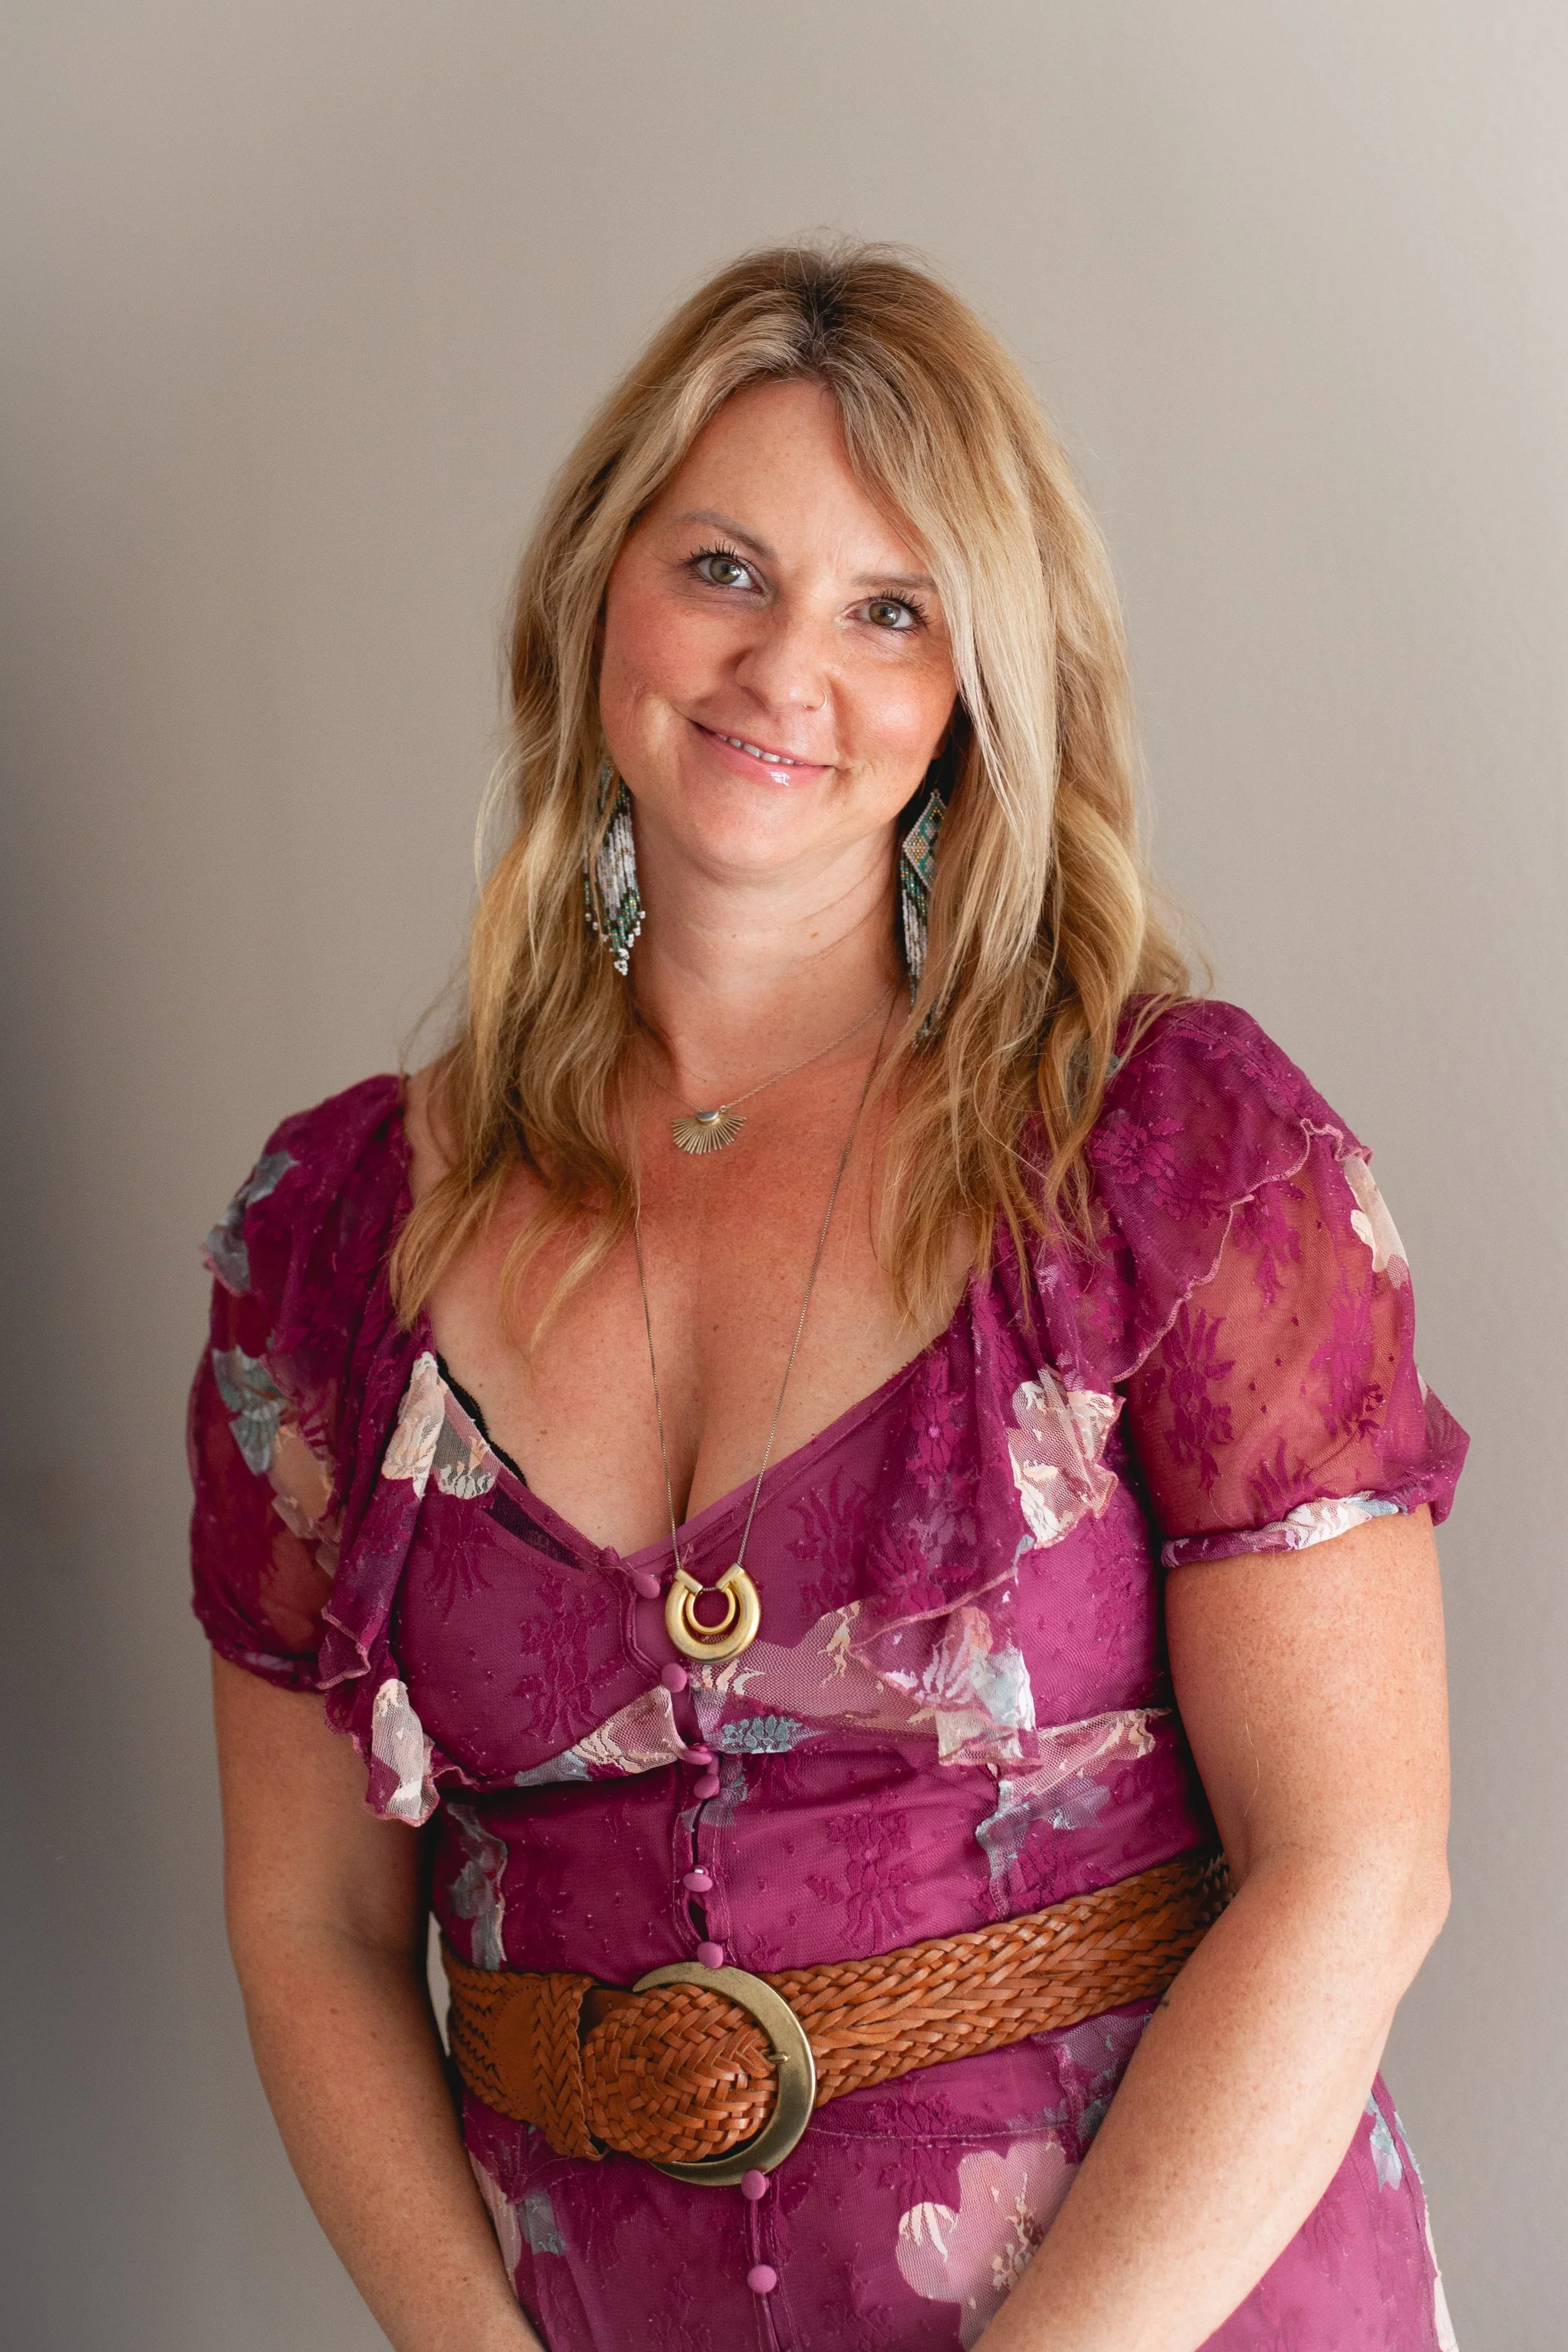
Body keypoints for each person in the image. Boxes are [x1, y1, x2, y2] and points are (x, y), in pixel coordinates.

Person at [191, 243, 1466, 2352]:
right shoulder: (328, 1231)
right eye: (723, 567)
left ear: (976, 687)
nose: (789, 668)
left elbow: (1356, 1866)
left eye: (889, 609)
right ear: (600, 590)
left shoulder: (1168, 1155)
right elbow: (310, 1922)